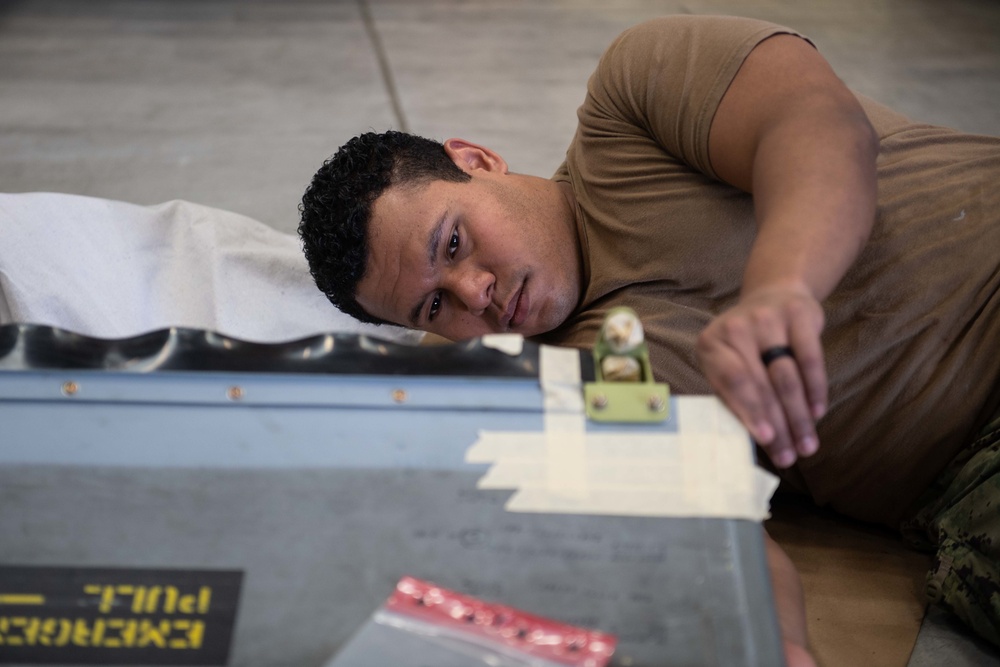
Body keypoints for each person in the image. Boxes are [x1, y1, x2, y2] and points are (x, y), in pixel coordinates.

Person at [298, 14, 1000, 664]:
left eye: (453, 242)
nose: (472, 292)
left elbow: (819, 124)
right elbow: (717, 535)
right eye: (433, 306)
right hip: (969, 476)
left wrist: (781, 287)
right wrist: (773, 644)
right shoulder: (565, 389)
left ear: (478, 160)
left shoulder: (629, 105)